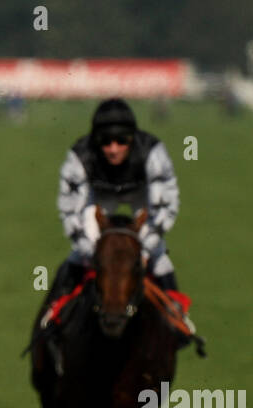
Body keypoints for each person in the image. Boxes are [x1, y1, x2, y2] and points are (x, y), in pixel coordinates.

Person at [36, 98, 189, 338]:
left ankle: (179, 318)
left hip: (142, 197)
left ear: (133, 138)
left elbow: (164, 206)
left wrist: (145, 249)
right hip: (99, 197)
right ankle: (53, 315)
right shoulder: (80, 155)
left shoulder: (153, 152)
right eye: (105, 142)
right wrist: (90, 250)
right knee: (80, 255)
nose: (113, 148)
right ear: (96, 141)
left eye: (121, 141)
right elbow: (70, 210)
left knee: (158, 255)